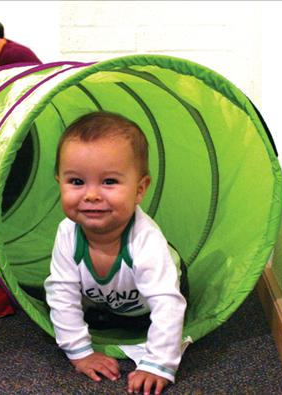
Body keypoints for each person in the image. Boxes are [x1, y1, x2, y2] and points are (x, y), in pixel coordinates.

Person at [44, 112, 187, 395]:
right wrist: (80, 352)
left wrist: (157, 364)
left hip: (154, 297)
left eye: (109, 182)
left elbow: (168, 304)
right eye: (76, 182)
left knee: (167, 304)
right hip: (109, 299)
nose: (92, 195)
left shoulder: (145, 241)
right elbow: (61, 292)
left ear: (139, 189)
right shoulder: (67, 233)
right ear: (59, 181)